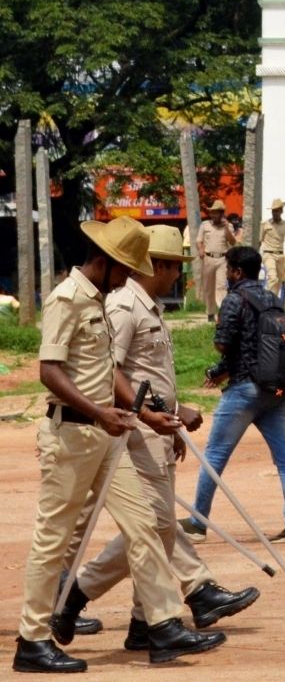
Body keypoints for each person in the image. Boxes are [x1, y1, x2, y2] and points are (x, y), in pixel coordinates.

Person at [18, 216, 226, 672]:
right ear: (107, 262)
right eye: (126, 269)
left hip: (109, 436)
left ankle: (164, 625)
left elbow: (104, 374)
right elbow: (49, 371)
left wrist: (145, 415)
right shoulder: (67, 299)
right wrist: (99, 413)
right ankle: (32, 640)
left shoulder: (99, 299)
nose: (130, 278)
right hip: (72, 436)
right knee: (52, 542)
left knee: (147, 525)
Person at [68, 225, 262, 646]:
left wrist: (169, 416)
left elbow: (150, 375)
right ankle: (76, 596)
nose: (180, 276)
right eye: (176, 267)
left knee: (159, 529)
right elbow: (111, 371)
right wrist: (153, 416)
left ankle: (145, 623)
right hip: (134, 432)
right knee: (152, 526)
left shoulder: (150, 306)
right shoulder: (124, 306)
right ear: (158, 265)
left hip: (156, 429)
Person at [184, 248, 285, 545]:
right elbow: (254, 348)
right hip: (274, 389)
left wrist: (221, 364)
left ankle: (197, 524)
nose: (227, 274)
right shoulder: (272, 300)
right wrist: (220, 371)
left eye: (229, 269)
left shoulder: (234, 299)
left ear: (238, 271)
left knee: (214, 454)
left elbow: (225, 344)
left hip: (244, 390)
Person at [194, 199, 236, 321]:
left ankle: (222, 313)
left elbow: (232, 242)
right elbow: (199, 240)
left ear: (222, 213)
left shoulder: (229, 226)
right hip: (208, 258)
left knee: (221, 286)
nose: (213, 215)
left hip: (223, 259)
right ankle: (210, 313)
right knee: (208, 287)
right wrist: (201, 249)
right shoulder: (205, 225)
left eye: (216, 212)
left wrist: (227, 228)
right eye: (212, 212)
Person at [259, 199, 285, 302]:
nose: (274, 213)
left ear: (281, 211)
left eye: (277, 210)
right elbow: (259, 241)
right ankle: (266, 302)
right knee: (272, 278)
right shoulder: (265, 224)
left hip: (280, 255)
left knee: (279, 281)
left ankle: (271, 301)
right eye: (273, 211)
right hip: (268, 254)